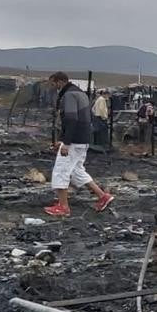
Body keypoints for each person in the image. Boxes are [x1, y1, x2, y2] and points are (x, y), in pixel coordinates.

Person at [44, 73, 113, 217]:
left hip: (74, 141)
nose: (52, 87)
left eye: (53, 83)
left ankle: (63, 207)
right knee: (76, 171)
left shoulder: (69, 95)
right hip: (83, 139)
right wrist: (63, 140)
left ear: (60, 82)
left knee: (61, 170)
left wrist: (66, 143)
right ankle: (102, 196)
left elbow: (71, 118)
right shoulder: (80, 93)